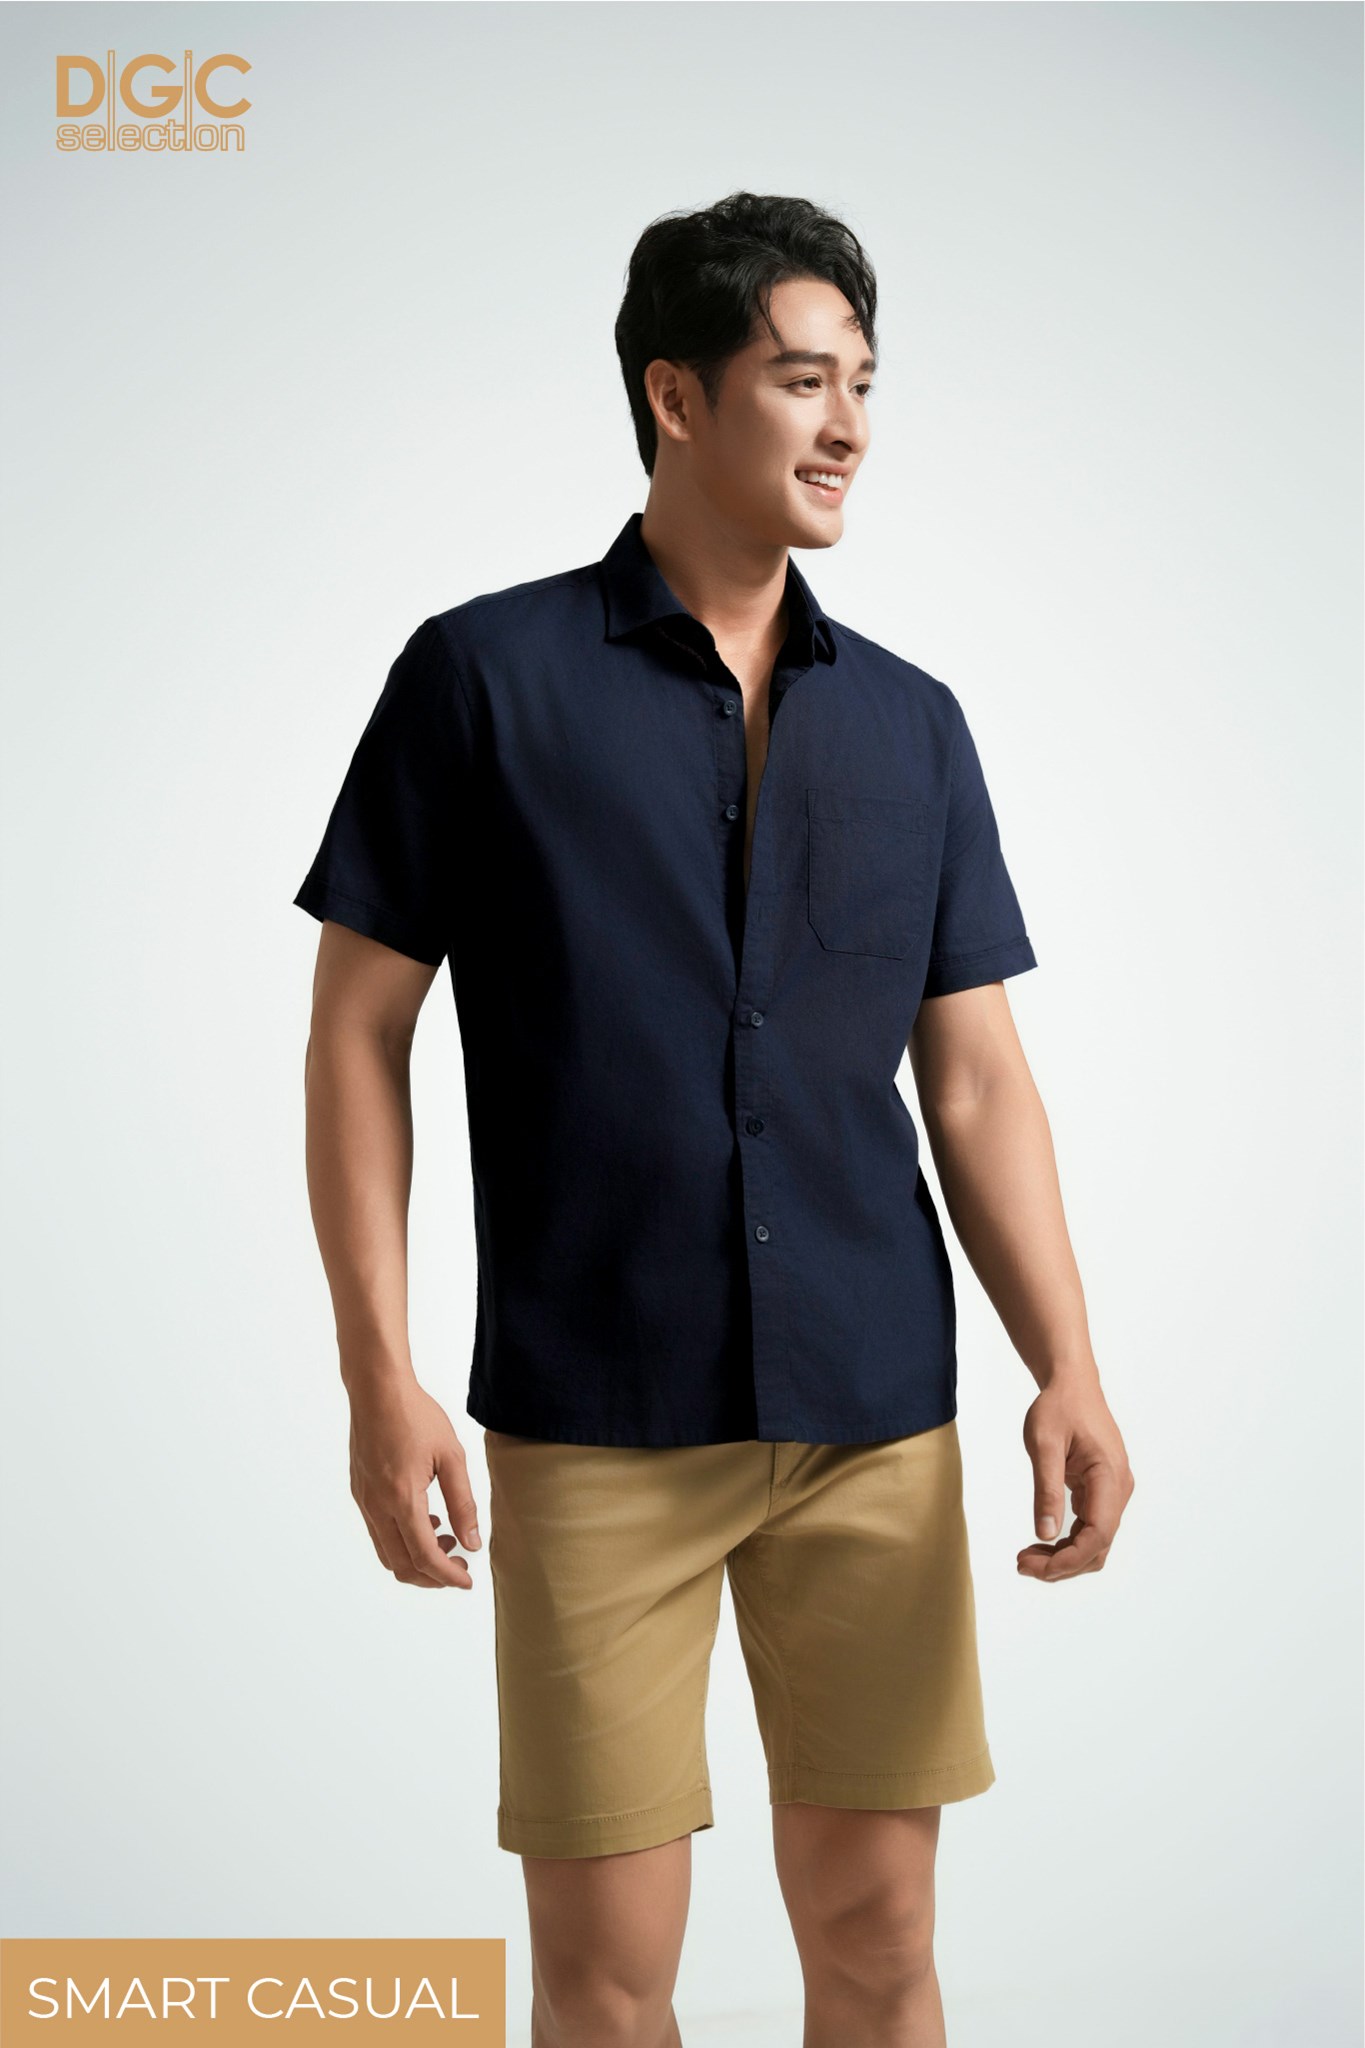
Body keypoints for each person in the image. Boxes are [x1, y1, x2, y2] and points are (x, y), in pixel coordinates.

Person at [293, 190, 1135, 2048]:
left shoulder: (913, 724)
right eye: (802, 380)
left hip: (868, 1415)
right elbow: (359, 1030)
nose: (848, 428)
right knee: (605, 1979)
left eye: (864, 386)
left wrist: (1065, 1364)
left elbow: (974, 1075)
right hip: (595, 1411)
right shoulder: (482, 678)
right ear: (675, 397)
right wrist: (378, 1371)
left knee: (881, 1945)